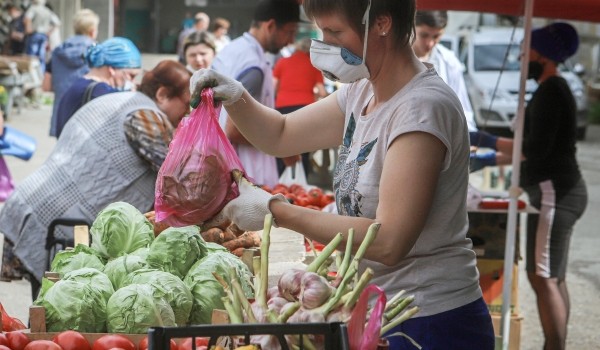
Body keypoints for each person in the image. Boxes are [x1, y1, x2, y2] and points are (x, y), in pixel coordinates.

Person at [192, 0, 494, 348]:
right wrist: (234, 95)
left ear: (381, 23)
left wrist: (275, 211)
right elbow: (281, 133)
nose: (324, 44)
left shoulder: (421, 109)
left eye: (334, 31)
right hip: (378, 310)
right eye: (321, 31)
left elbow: (389, 241)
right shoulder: (362, 91)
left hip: (430, 320)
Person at [0, 60, 191, 298]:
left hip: (34, 206)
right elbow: (176, 177)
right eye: (187, 105)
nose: (187, 114)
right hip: (58, 222)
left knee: (48, 304)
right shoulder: (146, 115)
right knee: (56, 307)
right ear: (162, 94)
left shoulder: (118, 99)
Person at [470, 22, 588, 350]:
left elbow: (533, 150)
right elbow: (529, 146)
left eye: (526, 52)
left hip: (555, 193)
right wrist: (488, 148)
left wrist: (488, 147)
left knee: (543, 276)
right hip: (558, 191)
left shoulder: (552, 91)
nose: (522, 57)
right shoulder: (552, 88)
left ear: (542, 55)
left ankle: (554, 345)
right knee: (552, 276)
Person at [209, 0, 300, 188]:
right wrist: (281, 147)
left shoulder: (232, 50)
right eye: (290, 32)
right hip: (245, 174)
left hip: (222, 164)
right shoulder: (253, 66)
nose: (291, 40)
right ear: (271, 26)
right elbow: (233, 129)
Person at [54, 37, 142, 138]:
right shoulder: (102, 93)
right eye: (131, 75)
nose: (132, 82)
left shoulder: (77, 86)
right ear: (112, 68)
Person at [413, 10, 477, 132]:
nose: (430, 43)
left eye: (436, 36)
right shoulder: (394, 58)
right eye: (424, 35)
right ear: (411, 27)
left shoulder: (449, 62)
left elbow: (463, 111)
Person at [272, 37, 327, 176]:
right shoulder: (314, 66)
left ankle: (280, 180)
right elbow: (322, 92)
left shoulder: (282, 62)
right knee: (303, 147)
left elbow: (273, 87)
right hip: (305, 109)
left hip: (283, 108)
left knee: (283, 146)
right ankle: (301, 184)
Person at [43, 8, 100, 137]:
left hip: (61, 117)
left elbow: (46, 86)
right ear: (92, 31)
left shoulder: (58, 51)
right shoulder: (98, 52)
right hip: (88, 119)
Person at [22, 0, 61, 74]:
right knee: (41, 56)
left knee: (31, 56)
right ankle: (41, 73)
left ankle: (31, 74)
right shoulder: (47, 10)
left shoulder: (33, 8)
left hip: (34, 34)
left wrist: (28, 29)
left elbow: (27, 18)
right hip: (43, 35)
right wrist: (49, 32)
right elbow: (57, 23)